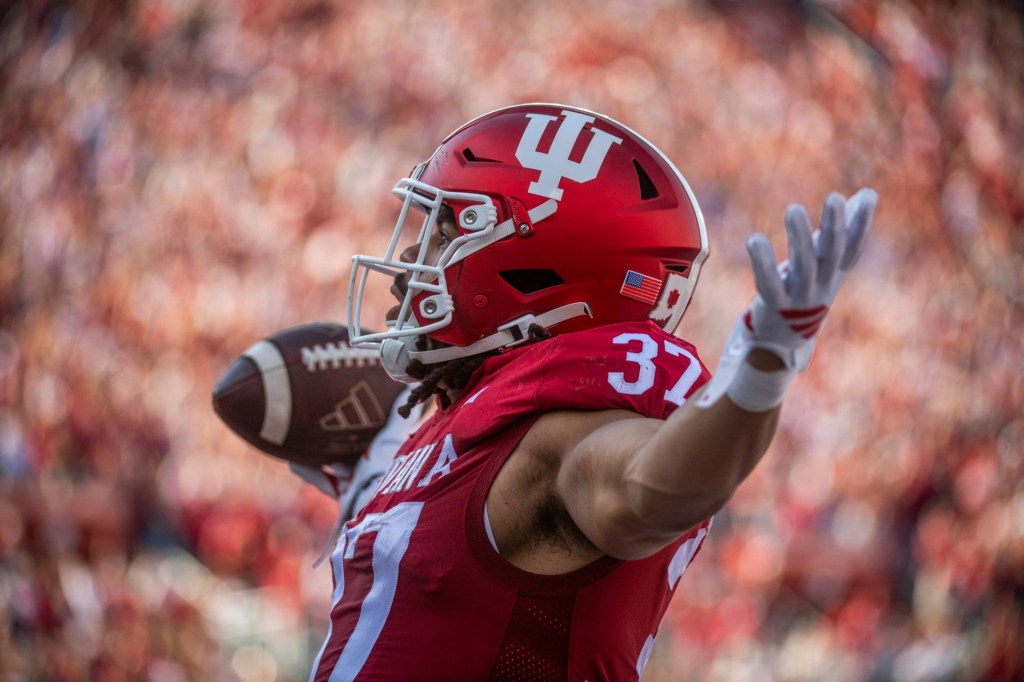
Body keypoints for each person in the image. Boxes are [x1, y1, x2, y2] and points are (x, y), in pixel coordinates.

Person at [309, 103, 877, 681]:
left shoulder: (558, 439)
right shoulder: (464, 419)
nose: (410, 258)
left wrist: (760, 371)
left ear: (531, 268)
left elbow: (651, 489)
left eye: (447, 232)